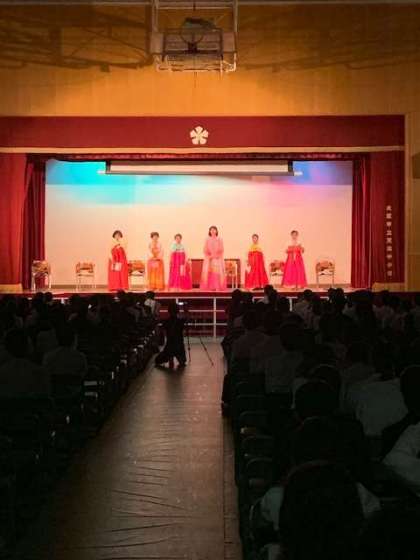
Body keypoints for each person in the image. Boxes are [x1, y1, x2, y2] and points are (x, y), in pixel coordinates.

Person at [155, 301, 187, 369]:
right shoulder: (180, 321)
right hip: (179, 345)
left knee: (159, 360)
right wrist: (185, 309)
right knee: (182, 362)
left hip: (170, 345)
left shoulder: (166, 321)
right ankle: (174, 359)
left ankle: (170, 359)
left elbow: (161, 330)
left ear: (168, 311)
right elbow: (187, 318)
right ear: (178, 311)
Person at [200, 226, 226, 291]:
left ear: (216, 231)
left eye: (214, 230)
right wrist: (209, 256)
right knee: (209, 272)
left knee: (217, 272)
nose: (213, 231)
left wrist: (216, 255)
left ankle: (217, 286)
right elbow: (205, 249)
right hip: (209, 259)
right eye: (211, 230)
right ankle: (210, 287)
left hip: (217, 258)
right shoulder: (207, 239)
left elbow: (221, 249)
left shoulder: (219, 239)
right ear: (209, 231)